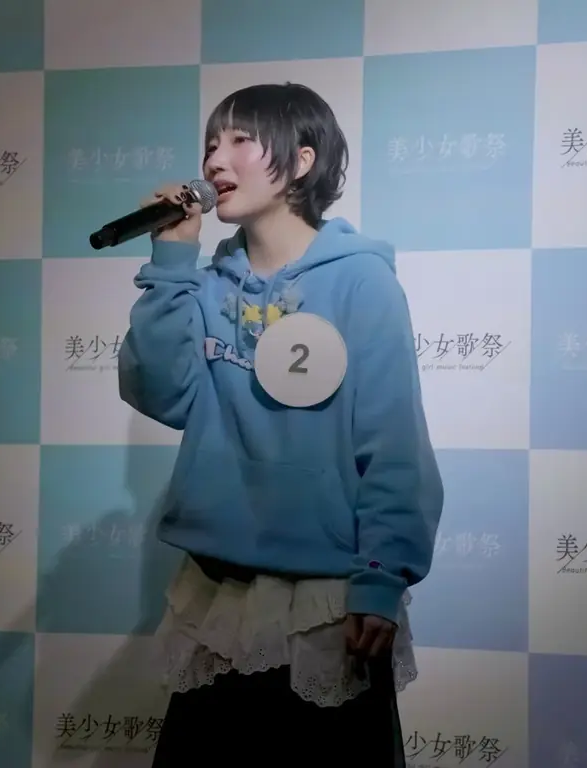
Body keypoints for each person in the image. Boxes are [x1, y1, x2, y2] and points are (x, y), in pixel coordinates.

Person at [118, 82, 444, 765]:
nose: (215, 160)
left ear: (301, 160)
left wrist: (382, 575)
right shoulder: (207, 285)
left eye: (240, 140)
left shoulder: (361, 283)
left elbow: (393, 444)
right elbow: (160, 394)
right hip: (216, 595)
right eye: (211, 144)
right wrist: (171, 259)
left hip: (325, 605)